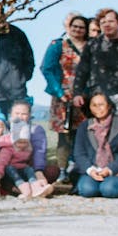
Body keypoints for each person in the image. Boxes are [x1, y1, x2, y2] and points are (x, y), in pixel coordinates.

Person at [40, 15, 88, 182]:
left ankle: (79, 167)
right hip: (63, 95)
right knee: (64, 135)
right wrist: (59, 92)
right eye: (75, 26)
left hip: (84, 96)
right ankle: (62, 169)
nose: (78, 30)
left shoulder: (90, 46)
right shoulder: (58, 45)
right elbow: (47, 68)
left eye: (81, 27)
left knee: (83, 133)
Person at [73, 8, 118, 125]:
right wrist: (77, 92)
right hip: (100, 95)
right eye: (103, 22)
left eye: (110, 21)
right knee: (102, 133)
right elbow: (82, 70)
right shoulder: (93, 45)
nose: (107, 25)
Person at [73, 91, 118, 198]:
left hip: (115, 171)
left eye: (101, 105)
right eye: (94, 105)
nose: (98, 108)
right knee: (87, 190)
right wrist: (90, 170)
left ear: (109, 106)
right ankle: (97, 185)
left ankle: (114, 186)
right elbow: (79, 153)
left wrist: (109, 169)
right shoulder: (84, 127)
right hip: (92, 171)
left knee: (109, 189)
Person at [0, 120, 53, 201]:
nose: (22, 145)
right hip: (10, 172)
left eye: (24, 142)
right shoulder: (8, 149)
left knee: (29, 169)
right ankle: (22, 187)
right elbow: (2, 162)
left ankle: (35, 186)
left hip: (22, 169)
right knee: (10, 169)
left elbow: (30, 161)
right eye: (19, 142)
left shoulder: (28, 148)